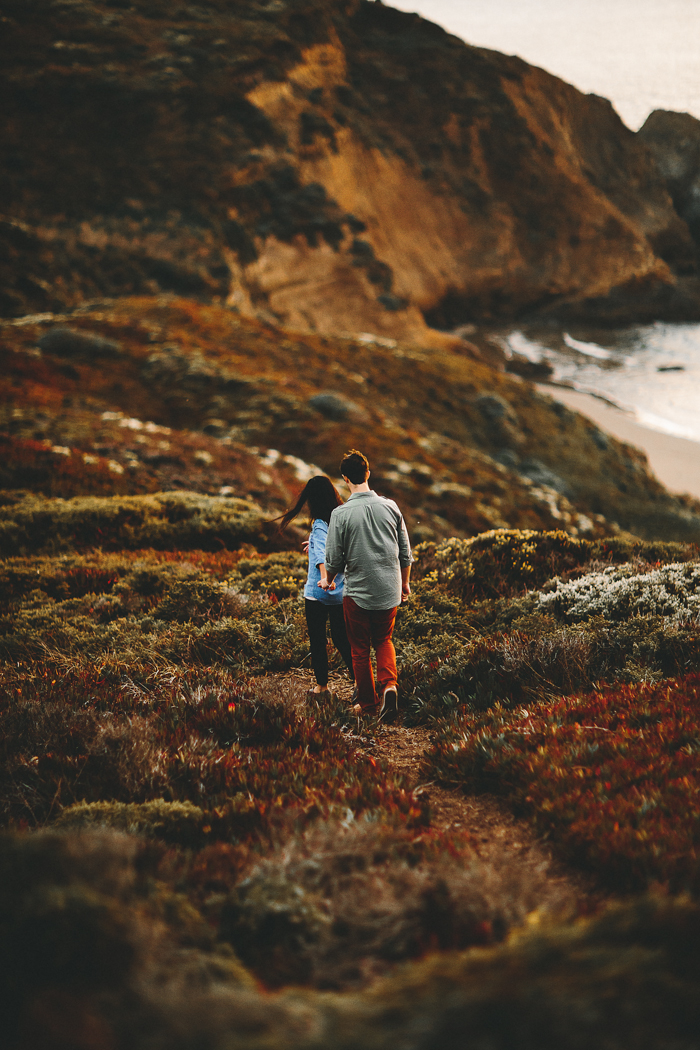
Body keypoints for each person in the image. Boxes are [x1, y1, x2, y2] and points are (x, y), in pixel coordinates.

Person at [322, 449, 412, 722]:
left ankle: (368, 705)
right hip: (389, 589)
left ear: (345, 478)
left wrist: (329, 579)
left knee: (359, 648)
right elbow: (405, 552)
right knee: (383, 640)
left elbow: (334, 558)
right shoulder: (391, 506)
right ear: (368, 474)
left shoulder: (341, 514)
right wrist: (404, 584)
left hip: (358, 593)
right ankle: (390, 686)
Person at [278, 475, 355, 699]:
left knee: (318, 640)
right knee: (343, 639)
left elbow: (322, 555)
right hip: (341, 593)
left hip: (318, 593)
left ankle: (322, 687)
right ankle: (361, 682)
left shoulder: (320, 523)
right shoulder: (340, 519)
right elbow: (336, 548)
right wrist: (312, 541)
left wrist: (325, 579)